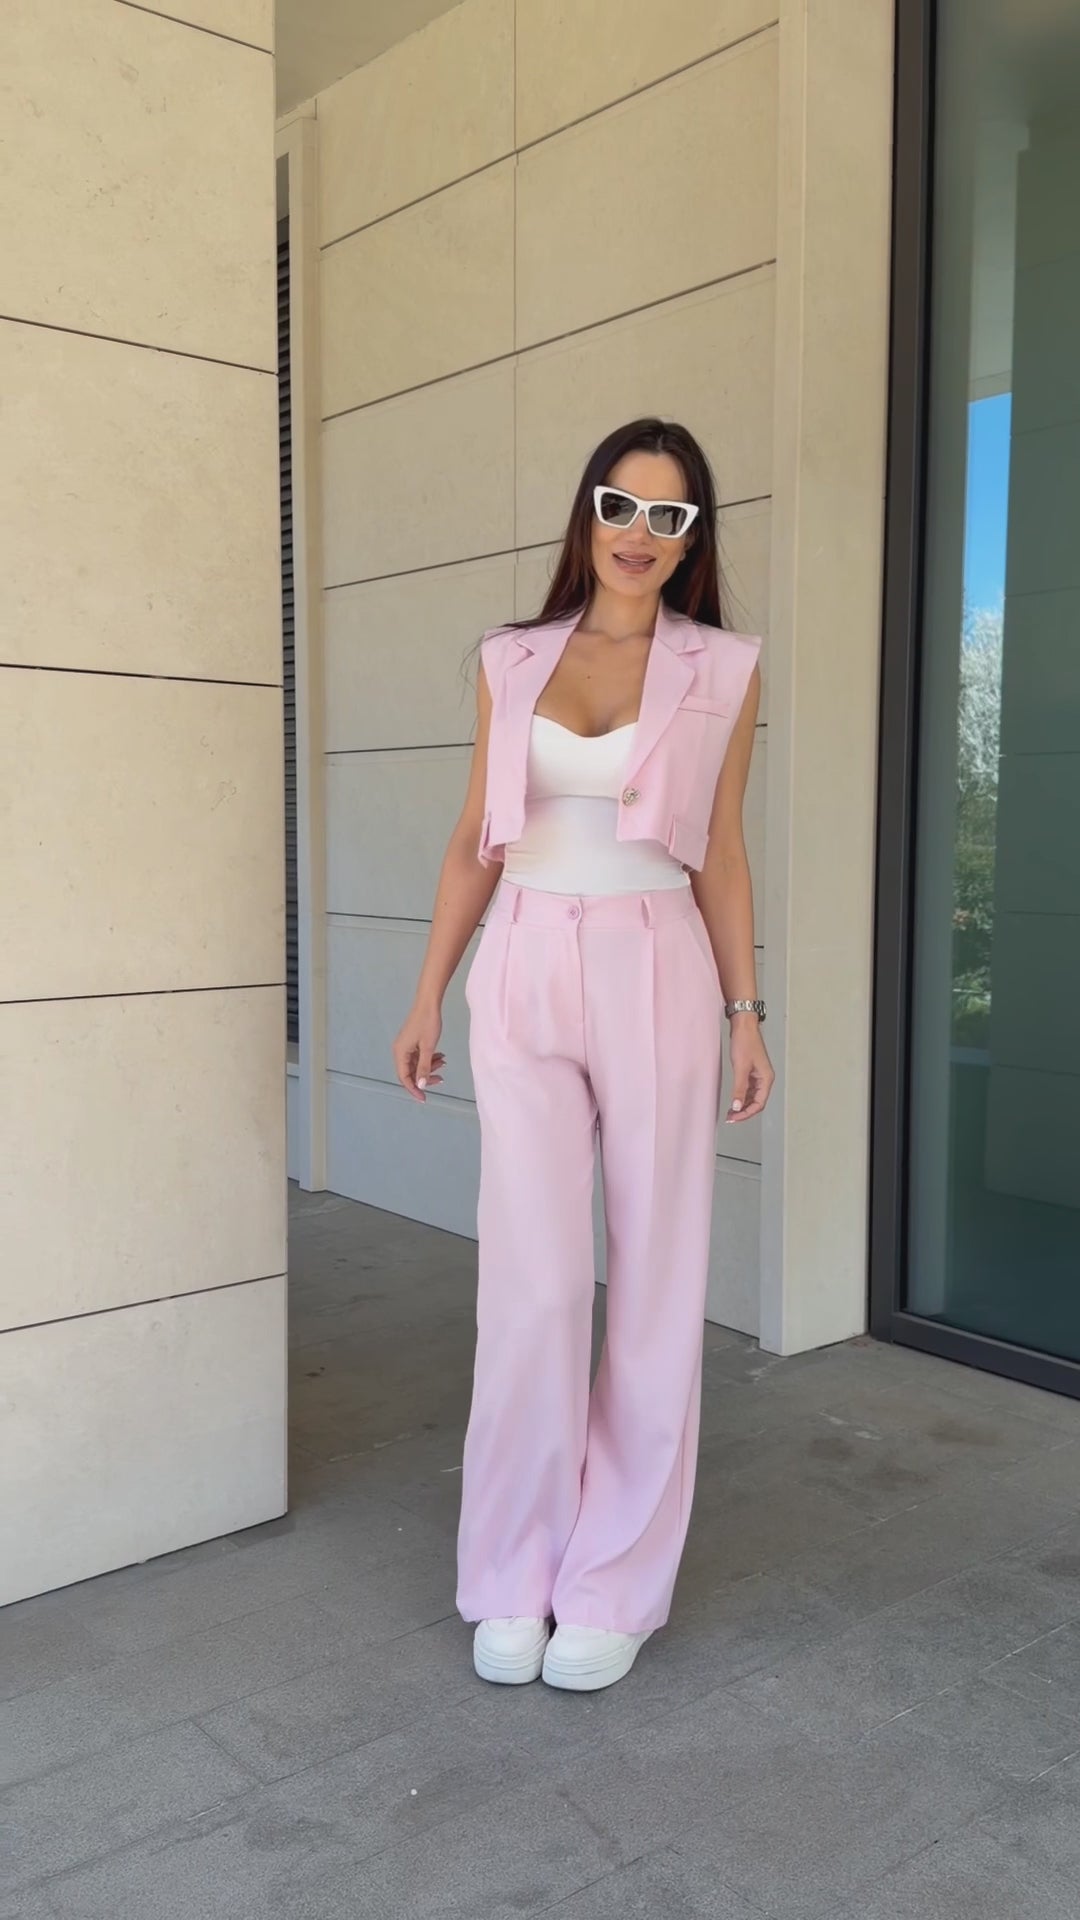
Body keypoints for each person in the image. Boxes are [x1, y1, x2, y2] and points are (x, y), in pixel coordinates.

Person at [393, 417, 774, 1693]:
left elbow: (722, 849)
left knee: (657, 1280)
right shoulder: (511, 658)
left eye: (669, 517)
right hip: (522, 962)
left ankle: (614, 1584)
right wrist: (427, 991)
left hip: (658, 960)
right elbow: (474, 838)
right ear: (589, 511)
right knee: (536, 1285)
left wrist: (746, 1010)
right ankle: (511, 1572)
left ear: (692, 539)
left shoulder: (723, 667)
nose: (639, 535)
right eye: (622, 505)